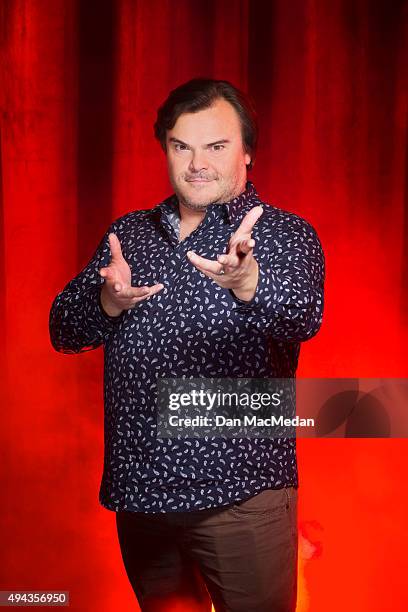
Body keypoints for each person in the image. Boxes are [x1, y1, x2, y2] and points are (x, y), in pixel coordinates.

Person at [49, 78, 325, 612]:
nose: (197, 162)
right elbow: (63, 331)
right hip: (142, 499)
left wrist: (248, 283)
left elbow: (302, 317)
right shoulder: (129, 233)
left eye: (216, 146)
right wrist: (106, 301)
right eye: (182, 145)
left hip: (240, 501)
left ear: (247, 152)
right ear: (167, 150)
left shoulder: (284, 235)